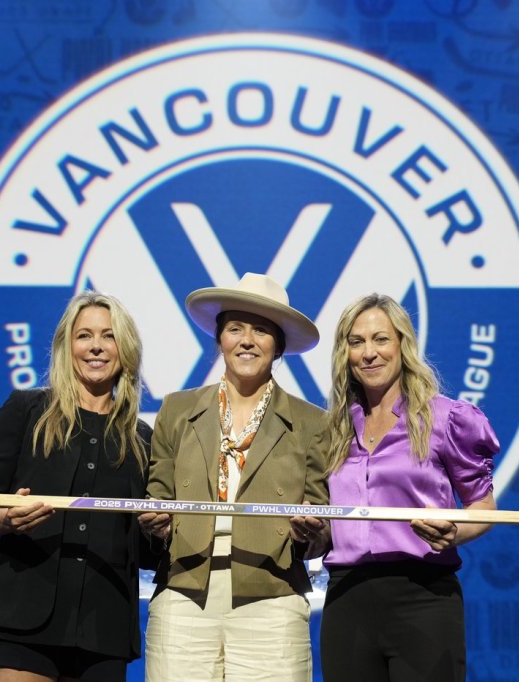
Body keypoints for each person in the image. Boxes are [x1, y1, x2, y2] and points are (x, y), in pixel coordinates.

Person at [138, 273, 329, 682]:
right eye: (235, 328)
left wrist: (311, 532)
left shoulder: (313, 423)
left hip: (272, 597)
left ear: (278, 345)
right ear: (220, 338)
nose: (247, 341)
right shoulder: (176, 410)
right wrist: (157, 523)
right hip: (183, 594)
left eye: (261, 330)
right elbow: (158, 496)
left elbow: (322, 525)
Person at [0, 292, 153, 682]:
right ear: (67, 347)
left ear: (126, 350)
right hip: (20, 618)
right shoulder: (25, 411)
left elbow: (146, 551)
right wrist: (7, 519)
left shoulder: (143, 439)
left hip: (103, 627)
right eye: (84, 335)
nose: (96, 346)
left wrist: (158, 530)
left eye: (109, 336)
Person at [310, 293, 500, 682]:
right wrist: (314, 532)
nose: (369, 353)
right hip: (347, 598)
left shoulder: (446, 419)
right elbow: (333, 523)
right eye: (356, 342)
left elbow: (484, 508)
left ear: (403, 345)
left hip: (423, 596)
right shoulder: (333, 429)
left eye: (381, 339)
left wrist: (453, 532)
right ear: (345, 353)